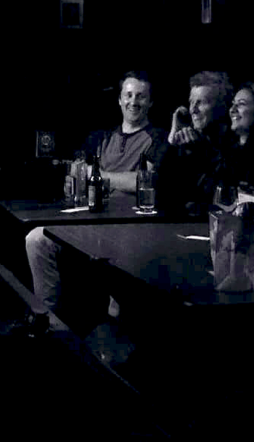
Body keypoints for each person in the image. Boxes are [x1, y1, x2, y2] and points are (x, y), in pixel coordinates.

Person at [17, 71, 168, 336]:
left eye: (141, 96)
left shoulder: (158, 137)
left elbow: (144, 180)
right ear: (119, 100)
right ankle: (48, 318)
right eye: (128, 95)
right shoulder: (100, 137)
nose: (133, 102)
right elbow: (78, 171)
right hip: (88, 218)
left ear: (151, 102)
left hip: (128, 227)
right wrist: (77, 179)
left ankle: (113, 319)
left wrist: (99, 176)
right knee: (36, 238)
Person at [155, 71, 234, 218]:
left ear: (221, 107)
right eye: (191, 102)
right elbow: (156, 193)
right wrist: (172, 141)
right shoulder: (188, 142)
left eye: (201, 102)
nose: (192, 110)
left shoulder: (232, 146)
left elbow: (218, 200)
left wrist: (200, 155)